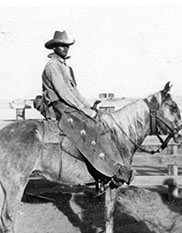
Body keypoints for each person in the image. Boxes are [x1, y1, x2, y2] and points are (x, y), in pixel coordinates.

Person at [40, 30, 133, 188]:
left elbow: (75, 92)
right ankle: (103, 173)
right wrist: (84, 111)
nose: (65, 48)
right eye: (61, 45)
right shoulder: (53, 66)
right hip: (60, 107)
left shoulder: (65, 67)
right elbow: (64, 93)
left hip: (67, 104)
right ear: (54, 47)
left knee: (97, 122)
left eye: (67, 45)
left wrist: (88, 107)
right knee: (89, 128)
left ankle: (105, 170)